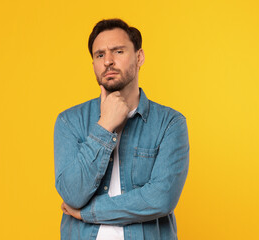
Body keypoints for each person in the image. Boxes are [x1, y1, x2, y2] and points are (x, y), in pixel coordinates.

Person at [54, 18, 189, 240]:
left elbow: (161, 198)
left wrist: (88, 213)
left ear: (139, 57)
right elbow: (72, 194)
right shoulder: (69, 121)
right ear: (94, 64)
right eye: (100, 55)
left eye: (118, 52)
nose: (108, 61)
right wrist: (105, 126)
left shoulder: (170, 123)